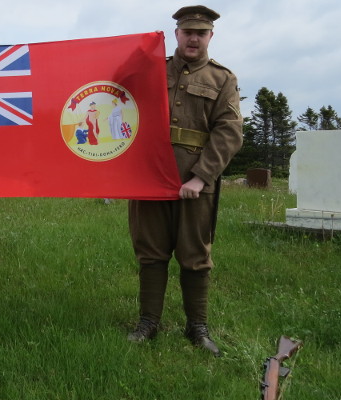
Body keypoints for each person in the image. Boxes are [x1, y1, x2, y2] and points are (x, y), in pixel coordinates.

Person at [126, 5, 242, 357]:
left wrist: (200, 176)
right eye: (187, 32)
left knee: (195, 257)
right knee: (151, 253)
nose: (193, 38)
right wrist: (134, 56)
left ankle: (198, 327)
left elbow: (229, 133)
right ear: (175, 34)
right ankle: (148, 322)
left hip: (195, 184)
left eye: (200, 33)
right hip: (149, 180)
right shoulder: (150, 71)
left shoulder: (222, 79)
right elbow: (116, 91)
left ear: (210, 36)